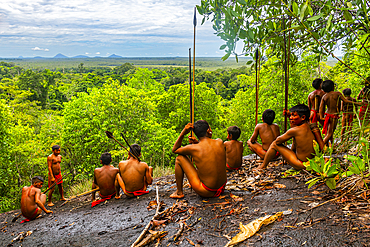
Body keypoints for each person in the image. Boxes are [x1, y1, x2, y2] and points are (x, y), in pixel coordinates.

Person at [170, 120, 227, 199]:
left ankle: (179, 192)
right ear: (208, 130)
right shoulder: (220, 142)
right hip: (222, 187)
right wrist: (197, 143)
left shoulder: (194, 148)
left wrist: (183, 133)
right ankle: (179, 192)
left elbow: (175, 149)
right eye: (210, 129)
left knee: (179, 158)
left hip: (207, 191)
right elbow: (209, 150)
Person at [256, 104, 315, 171]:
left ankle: (263, 166)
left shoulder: (295, 130)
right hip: (312, 163)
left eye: (293, 115)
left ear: (303, 117)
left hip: (301, 164)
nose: (290, 118)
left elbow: (278, 141)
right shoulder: (311, 126)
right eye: (290, 115)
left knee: (274, 144)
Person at [319, 80, 361, 146]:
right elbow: (346, 101)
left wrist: (321, 117)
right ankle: (320, 147)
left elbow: (321, 108)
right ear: (333, 87)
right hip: (333, 116)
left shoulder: (324, 96)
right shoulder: (337, 94)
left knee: (330, 132)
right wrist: (357, 103)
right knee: (330, 133)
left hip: (327, 115)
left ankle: (331, 146)